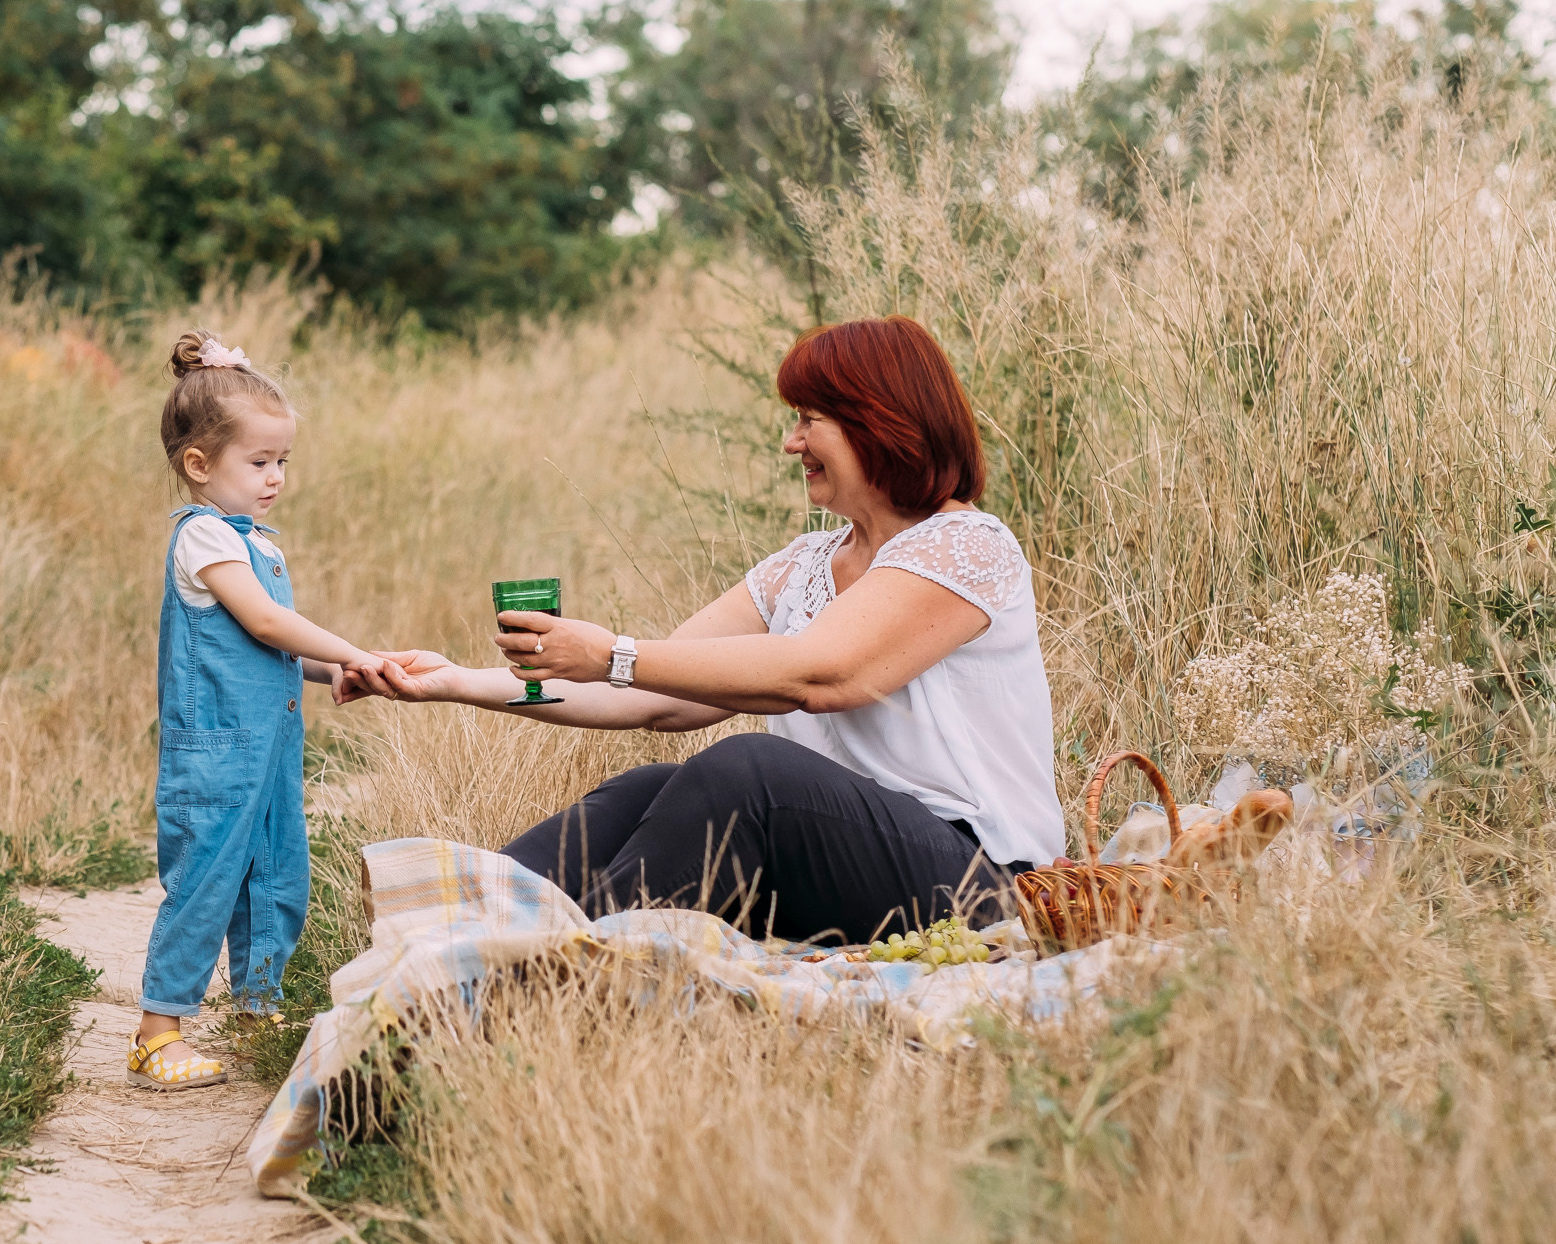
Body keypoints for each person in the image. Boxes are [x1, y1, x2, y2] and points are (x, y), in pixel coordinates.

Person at [348, 315, 1067, 944]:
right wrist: (455, 682)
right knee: (650, 788)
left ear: (876, 421)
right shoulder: (802, 566)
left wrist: (610, 653)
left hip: (980, 880)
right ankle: (454, 942)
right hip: (841, 862)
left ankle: (557, 975)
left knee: (747, 771)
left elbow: (824, 675)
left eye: (809, 419)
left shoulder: (965, 547)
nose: (791, 442)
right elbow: (654, 695)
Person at [132, 331, 387, 1091]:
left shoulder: (257, 543)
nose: (276, 477)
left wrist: (339, 667)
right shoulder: (203, 537)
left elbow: (269, 649)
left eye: (283, 461)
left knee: (276, 875)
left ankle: (257, 1006)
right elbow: (268, 623)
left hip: (270, 748)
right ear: (199, 465)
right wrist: (352, 648)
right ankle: (157, 1031)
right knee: (207, 880)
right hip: (216, 748)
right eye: (259, 462)